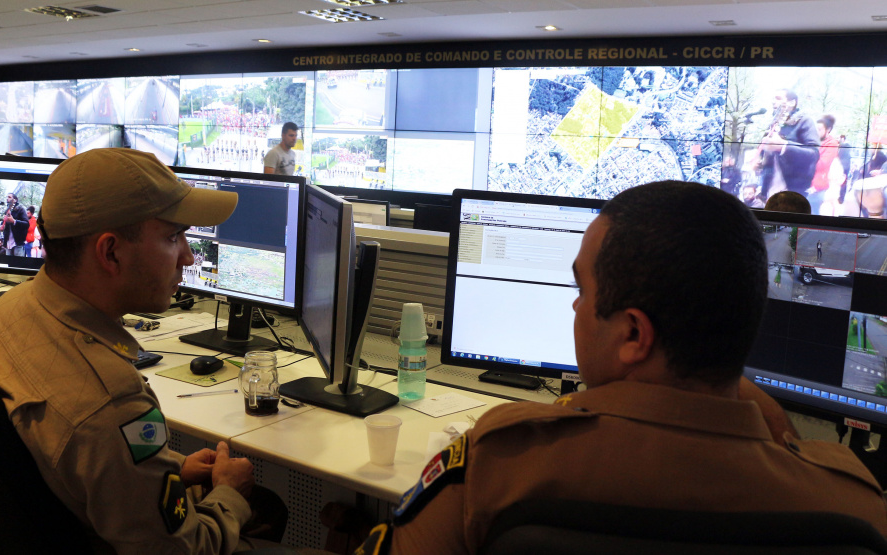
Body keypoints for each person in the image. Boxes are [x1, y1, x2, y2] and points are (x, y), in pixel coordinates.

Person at [357, 181, 887, 555]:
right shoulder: (852, 505)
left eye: (582, 291)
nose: (573, 308)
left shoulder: (502, 462)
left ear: (633, 334)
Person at [0, 148, 287, 554]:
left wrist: (167, 465)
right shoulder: (112, 402)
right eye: (174, 237)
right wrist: (229, 493)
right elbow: (183, 550)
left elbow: (74, 457)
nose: (189, 256)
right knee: (261, 507)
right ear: (110, 252)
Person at [755, 89, 820, 200]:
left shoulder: (805, 121)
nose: (773, 101)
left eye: (778, 98)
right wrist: (760, 160)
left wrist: (784, 146)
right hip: (769, 191)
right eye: (773, 98)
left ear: (792, 102)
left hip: (793, 192)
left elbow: (813, 153)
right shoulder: (773, 124)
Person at [808, 115, 844, 214]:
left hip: (819, 186)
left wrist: (806, 159)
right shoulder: (811, 141)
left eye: (819, 129)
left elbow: (822, 164)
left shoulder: (832, 143)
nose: (816, 132)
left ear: (828, 129)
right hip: (807, 183)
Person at [3, 192, 30, 257]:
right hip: (8, 243)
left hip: (17, 242)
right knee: (8, 264)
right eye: (7, 197)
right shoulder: (6, 210)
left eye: (9, 197)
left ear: (15, 200)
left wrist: (14, 221)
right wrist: (2, 226)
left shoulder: (21, 209)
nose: (7, 199)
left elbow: (26, 224)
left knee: (18, 264)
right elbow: (5, 224)